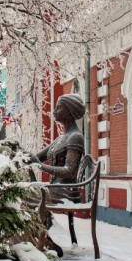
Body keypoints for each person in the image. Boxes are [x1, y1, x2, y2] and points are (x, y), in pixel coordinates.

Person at [29, 93, 86, 252]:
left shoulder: (75, 137)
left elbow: (69, 171)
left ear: (69, 112)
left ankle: (41, 239)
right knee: (21, 194)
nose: (54, 111)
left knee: (22, 197)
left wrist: (40, 166)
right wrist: (17, 152)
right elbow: (37, 156)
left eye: (59, 107)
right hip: (54, 189)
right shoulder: (61, 138)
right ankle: (40, 238)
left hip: (66, 192)